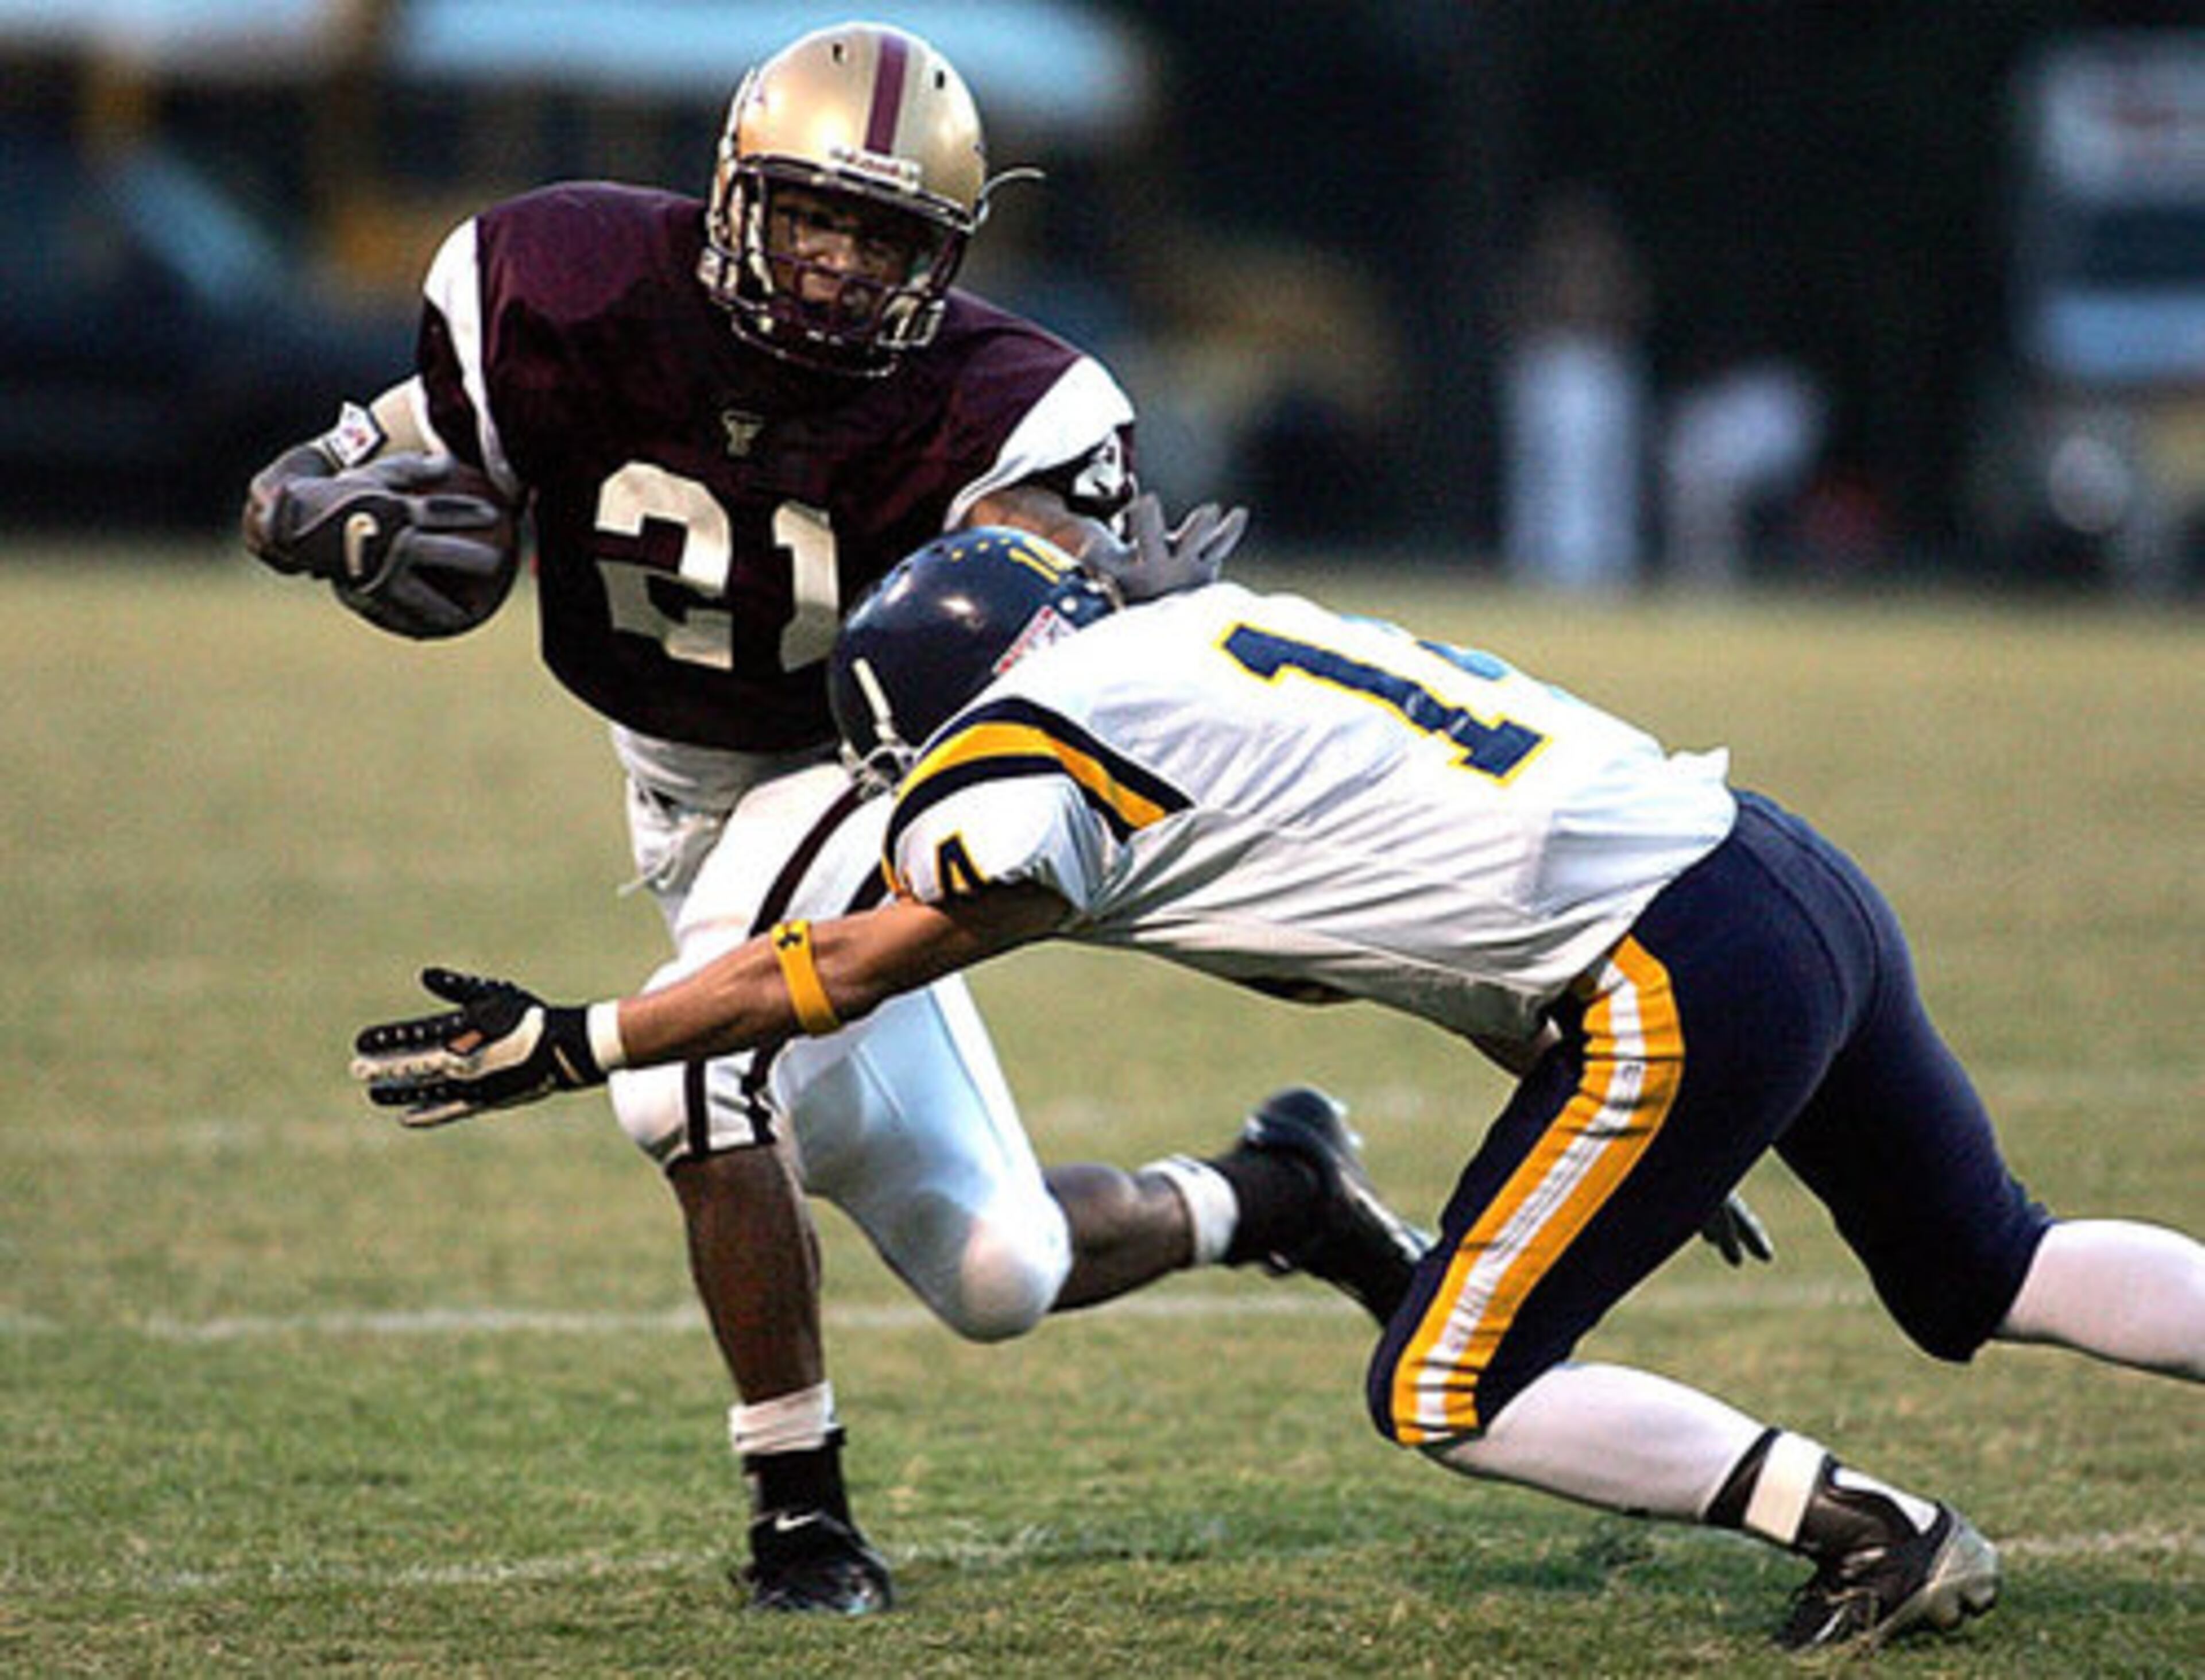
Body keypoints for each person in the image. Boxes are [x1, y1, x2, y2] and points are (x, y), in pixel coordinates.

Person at [353, 527, 2204, 1652]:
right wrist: (1609, 1080)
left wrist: (586, 1036)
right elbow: (1415, 876)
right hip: (1780, 874)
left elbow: (857, 959)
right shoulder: (1203, 638)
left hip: (1673, 969)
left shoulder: (1008, 767)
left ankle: (1877, 1534)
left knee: (1450, 1385)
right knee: (1985, 1262)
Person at [239, 21, 1428, 1616]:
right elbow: (310, 476)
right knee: (999, 1273)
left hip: (868, 768)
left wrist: (1103, 617)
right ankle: (1276, 1190)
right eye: (813, 216)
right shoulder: (566, 281)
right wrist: (337, 522)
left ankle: (799, 1513)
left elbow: (1030, 604)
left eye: (886, 238)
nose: (836, 267)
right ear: (735, 191)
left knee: (686, 1075)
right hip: (677, 797)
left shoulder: (1011, 402)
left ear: (948, 257)